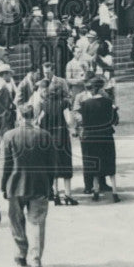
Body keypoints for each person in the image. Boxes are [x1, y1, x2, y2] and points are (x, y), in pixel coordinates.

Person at [1, 102, 55, 267]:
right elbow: (51, 165)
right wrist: (50, 184)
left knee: (16, 221)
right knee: (36, 222)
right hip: (39, 185)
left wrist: (3, 185)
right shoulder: (45, 135)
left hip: (15, 185)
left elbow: (5, 164)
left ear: (19, 116)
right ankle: (35, 258)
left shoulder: (9, 136)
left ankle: (21, 252)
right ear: (35, 116)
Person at [76, 75, 120, 202]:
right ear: (101, 88)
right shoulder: (108, 102)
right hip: (106, 136)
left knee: (95, 165)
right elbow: (114, 121)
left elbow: (83, 122)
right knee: (109, 164)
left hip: (91, 138)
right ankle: (115, 192)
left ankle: (95, 192)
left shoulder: (85, 104)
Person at [39, 61, 78, 205]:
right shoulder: (63, 104)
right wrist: (73, 130)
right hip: (61, 136)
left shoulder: (45, 104)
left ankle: (55, 195)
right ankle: (67, 195)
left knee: (53, 165)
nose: (46, 74)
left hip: (49, 136)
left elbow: (40, 119)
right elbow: (69, 120)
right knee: (65, 164)